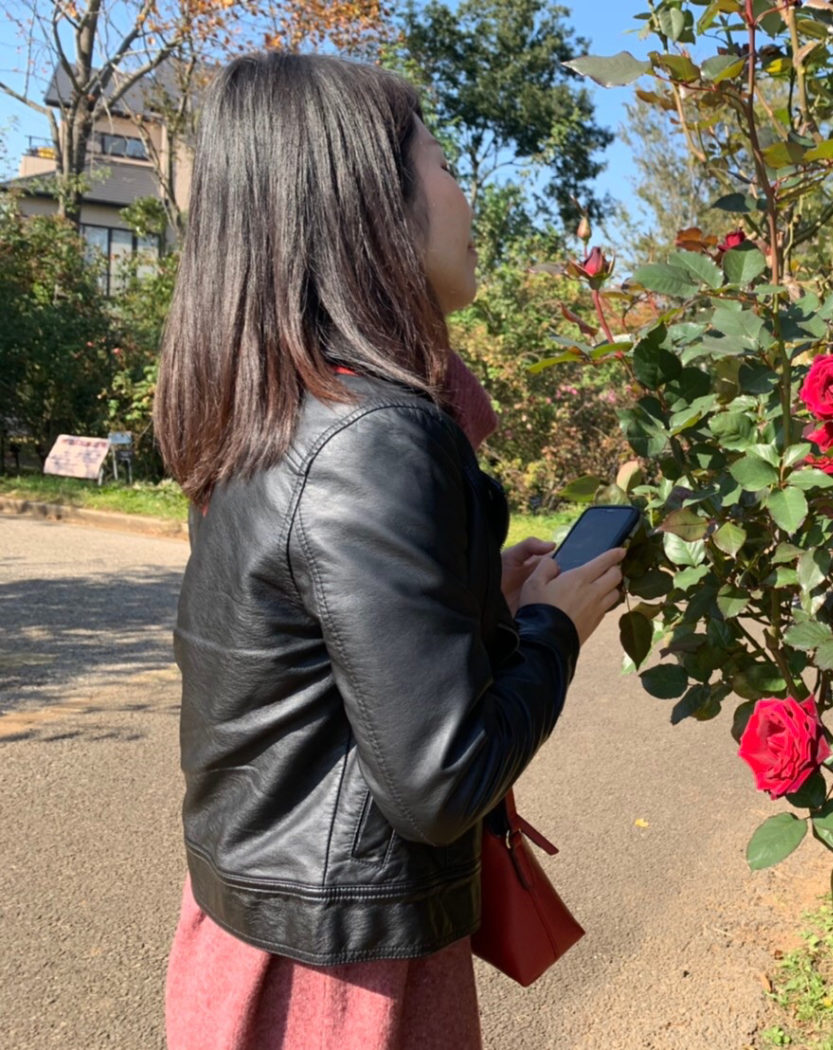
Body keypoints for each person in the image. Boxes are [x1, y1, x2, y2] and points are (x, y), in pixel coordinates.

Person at [153, 51, 625, 1050]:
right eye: (443, 164)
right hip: (340, 979)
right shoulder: (372, 438)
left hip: (256, 934)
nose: (465, 198)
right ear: (373, 206)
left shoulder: (275, 409)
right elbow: (441, 781)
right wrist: (552, 627)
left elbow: (313, 652)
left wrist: (472, 600)